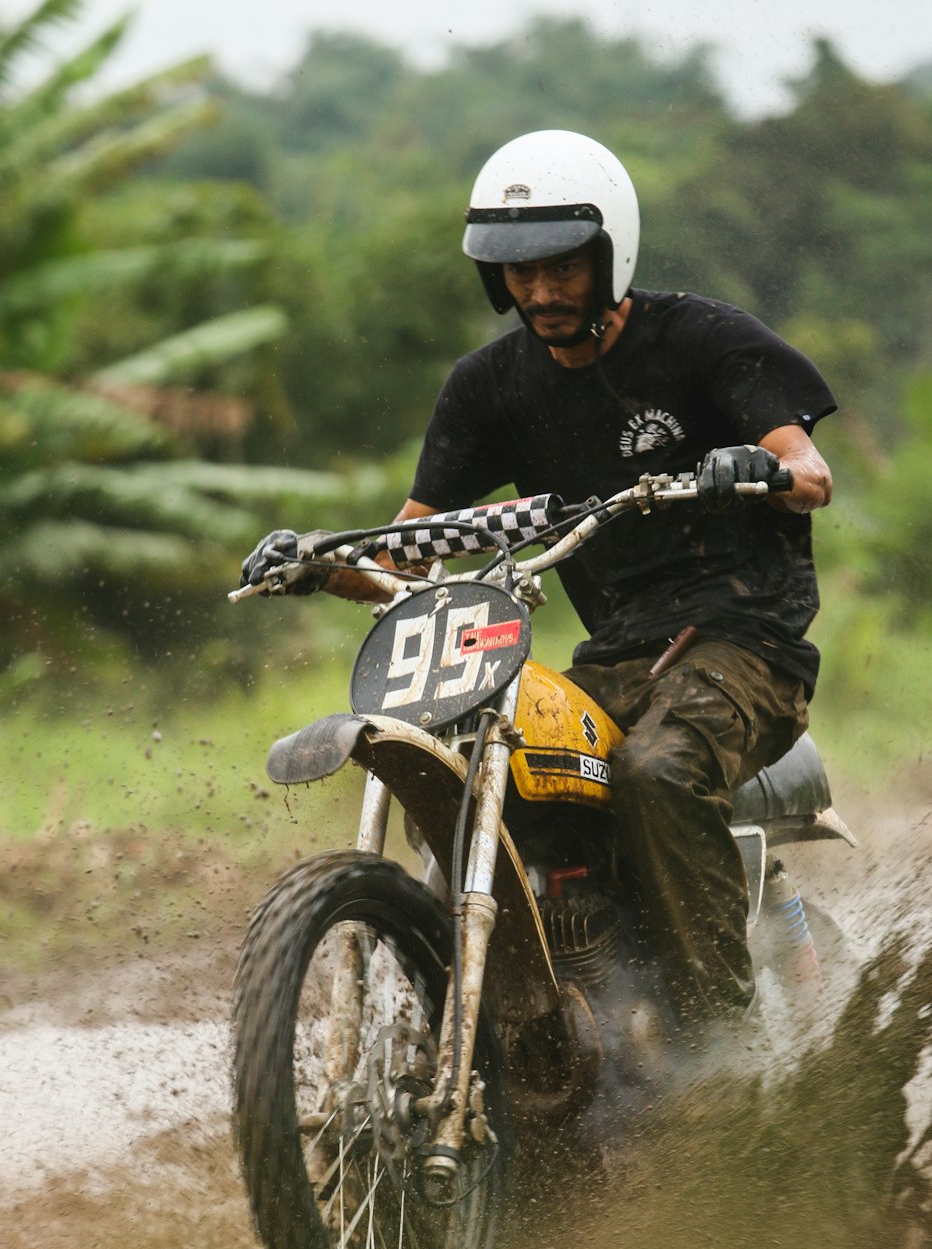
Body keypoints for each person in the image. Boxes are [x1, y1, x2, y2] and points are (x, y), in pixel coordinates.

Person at [241, 129, 836, 1026]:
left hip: (744, 644)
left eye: (563, 268)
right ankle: (526, 1024)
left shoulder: (703, 340)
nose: (543, 292)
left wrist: (754, 468)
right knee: (498, 760)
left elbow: (811, 473)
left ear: (610, 255)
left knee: (657, 772)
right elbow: (414, 549)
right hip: (614, 657)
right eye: (520, 272)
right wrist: (320, 564)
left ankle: (724, 1042)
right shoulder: (489, 386)